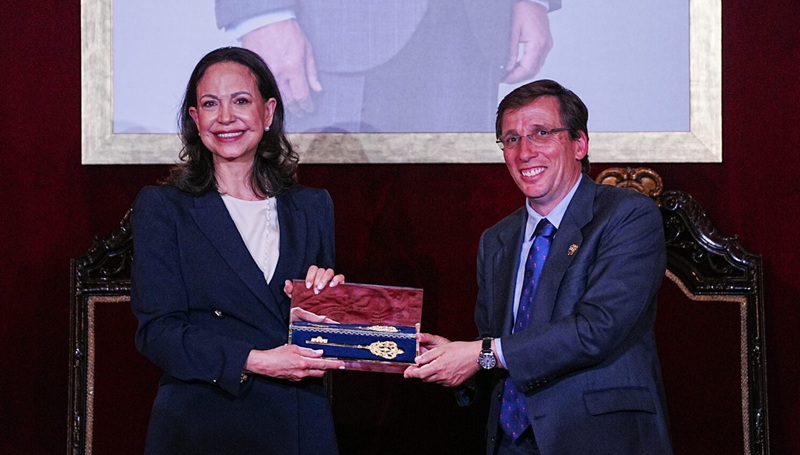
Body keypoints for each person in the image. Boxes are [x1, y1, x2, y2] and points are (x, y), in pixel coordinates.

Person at [404, 80, 673, 454]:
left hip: (597, 437)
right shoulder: (497, 239)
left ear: (579, 143)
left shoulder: (627, 216)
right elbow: (497, 344)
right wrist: (456, 362)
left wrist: (481, 352)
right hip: (509, 441)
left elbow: (597, 329)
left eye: (541, 133)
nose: (525, 152)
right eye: (511, 139)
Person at [130, 46, 345, 454]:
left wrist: (329, 300)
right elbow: (157, 332)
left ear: (268, 112)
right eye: (211, 104)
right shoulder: (164, 208)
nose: (226, 117)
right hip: (203, 420)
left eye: (241, 101)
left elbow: (323, 335)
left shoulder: (313, 206)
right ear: (196, 119)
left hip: (297, 420)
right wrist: (256, 360)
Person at [214, 0, 561, 133]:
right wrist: (262, 12)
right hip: (332, 30)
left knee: (448, 224)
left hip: (468, 26)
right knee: (323, 230)